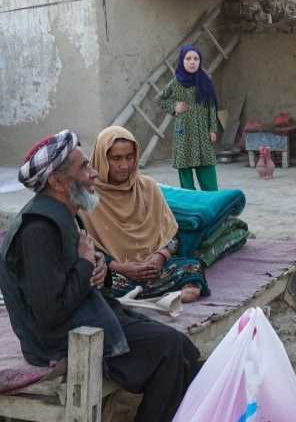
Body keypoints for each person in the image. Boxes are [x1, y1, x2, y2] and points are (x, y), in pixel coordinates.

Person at [0, 129, 201, 422]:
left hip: (86, 313)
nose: (94, 174)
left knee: (184, 350)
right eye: (84, 167)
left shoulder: (66, 213)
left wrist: (100, 268)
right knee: (170, 349)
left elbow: (83, 274)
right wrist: (83, 265)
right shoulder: (39, 230)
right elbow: (49, 312)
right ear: (58, 182)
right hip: (58, 338)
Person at [81, 126, 208, 304]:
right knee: (97, 281)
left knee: (192, 267)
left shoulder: (147, 187)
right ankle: (154, 295)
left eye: (129, 157)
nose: (124, 165)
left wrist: (159, 257)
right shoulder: (87, 195)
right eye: (116, 158)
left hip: (152, 268)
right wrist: (120, 267)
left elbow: (171, 235)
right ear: (102, 158)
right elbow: (84, 246)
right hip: (115, 271)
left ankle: (141, 296)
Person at [160, 44, 219, 191]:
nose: (192, 62)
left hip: (203, 132)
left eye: (196, 59)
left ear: (200, 61)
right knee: (185, 171)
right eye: (188, 59)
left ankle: (211, 199)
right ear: (182, 61)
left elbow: (212, 106)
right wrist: (174, 107)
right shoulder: (176, 82)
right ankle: (191, 201)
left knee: (207, 169)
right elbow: (160, 99)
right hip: (184, 133)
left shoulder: (205, 81)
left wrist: (213, 129)